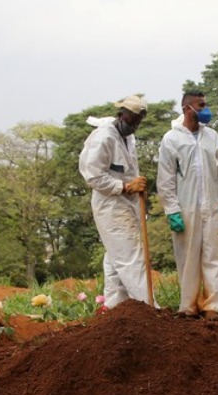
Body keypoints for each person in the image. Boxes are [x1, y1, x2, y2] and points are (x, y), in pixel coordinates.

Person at [157, 90, 218, 320]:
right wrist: (172, 210)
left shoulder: (213, 137)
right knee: (187, 257)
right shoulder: (171, 139)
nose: (205, 110)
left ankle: (212, 308)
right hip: (186, 208)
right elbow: (166, 178)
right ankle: (188, 307)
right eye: (201, 105)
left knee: (214, 256)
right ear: (187, 108)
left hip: (211, 206)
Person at [78, 94, 156, 309]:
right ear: (122, 115)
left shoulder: (128, 138)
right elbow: (92, 175)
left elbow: (129, 170)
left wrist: (136, 187)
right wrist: (124, 187)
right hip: (110, 205)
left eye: (139, 121)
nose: (135, 126)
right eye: (133, 120)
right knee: (131, 257)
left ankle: (114, 308)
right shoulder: (103, 138)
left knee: (115, 258)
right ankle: (149, 309)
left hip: (128, 202)